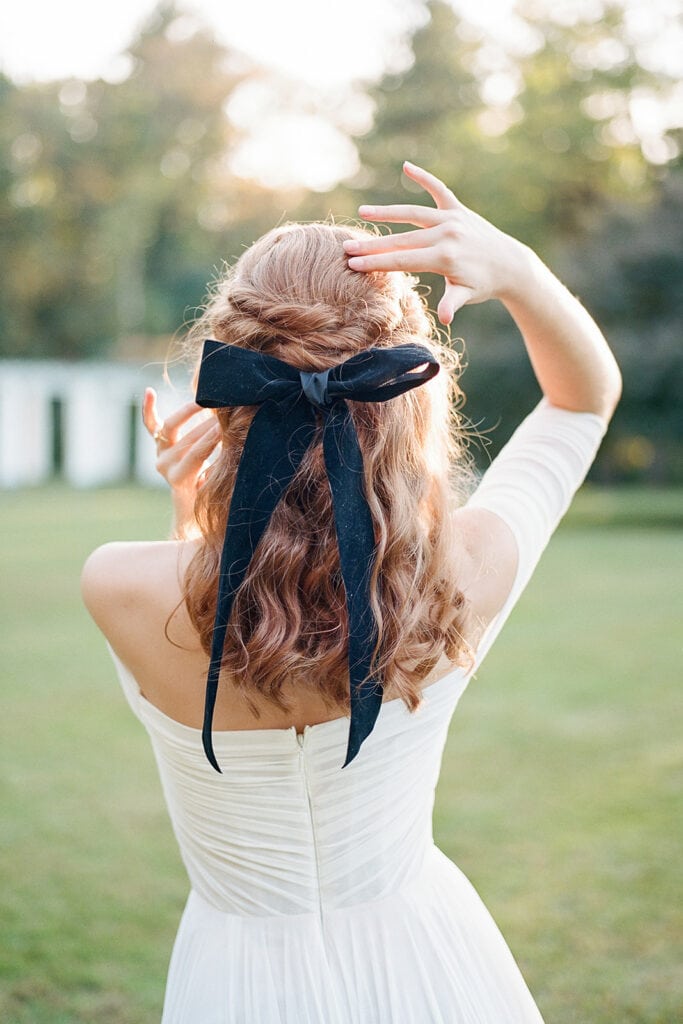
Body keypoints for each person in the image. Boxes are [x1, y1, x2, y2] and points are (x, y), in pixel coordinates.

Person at [81, 161, 622, 1023]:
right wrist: (515, 267)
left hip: (236, 982)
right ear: (406, 391)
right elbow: (581, 402)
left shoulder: (117, 583)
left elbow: (225, 600)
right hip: (432, 967)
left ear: (228, 392)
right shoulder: (462, 568)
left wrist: (190, 512)